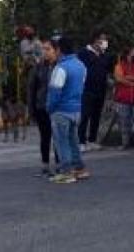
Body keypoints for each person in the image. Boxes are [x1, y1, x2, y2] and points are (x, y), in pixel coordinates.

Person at [45, 36, 90, 184]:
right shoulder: (80, 65)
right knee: (73, 140)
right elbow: (82, 87)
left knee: (62, 142)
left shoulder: (61, 68)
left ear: (59, 49)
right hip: (76, 109)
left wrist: (50, 108)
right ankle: (79, 168)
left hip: (61, 110)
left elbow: (54, 92)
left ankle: (66, 172)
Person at [77, 29, 111, 152]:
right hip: (87, 89)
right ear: (96, 40)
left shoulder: (104, 55)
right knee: (85, 115)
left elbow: (106, 70)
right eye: (103, 39)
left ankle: (92, 140)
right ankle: (81, 141)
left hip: (100, 89)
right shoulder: (83, 53)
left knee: (96, 116)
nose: (105, 41)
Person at [28, 38, 57, 176]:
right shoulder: (38, 67)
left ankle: (59, 165)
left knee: (58, 137)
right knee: (45, 137)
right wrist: (31, 109)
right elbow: (31, 89)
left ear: (55, 50)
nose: (44, 52)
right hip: (42, 107)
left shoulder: (60, 66)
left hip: (57, 108)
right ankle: (45, 166)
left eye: (48, 49)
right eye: (43, 49)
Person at [113, 46, 134, 150]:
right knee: (124, 122)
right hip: (123, 99)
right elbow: (119, 79)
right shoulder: (119, 66)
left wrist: (127, 77)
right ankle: (125, 143)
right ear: (128, 54)